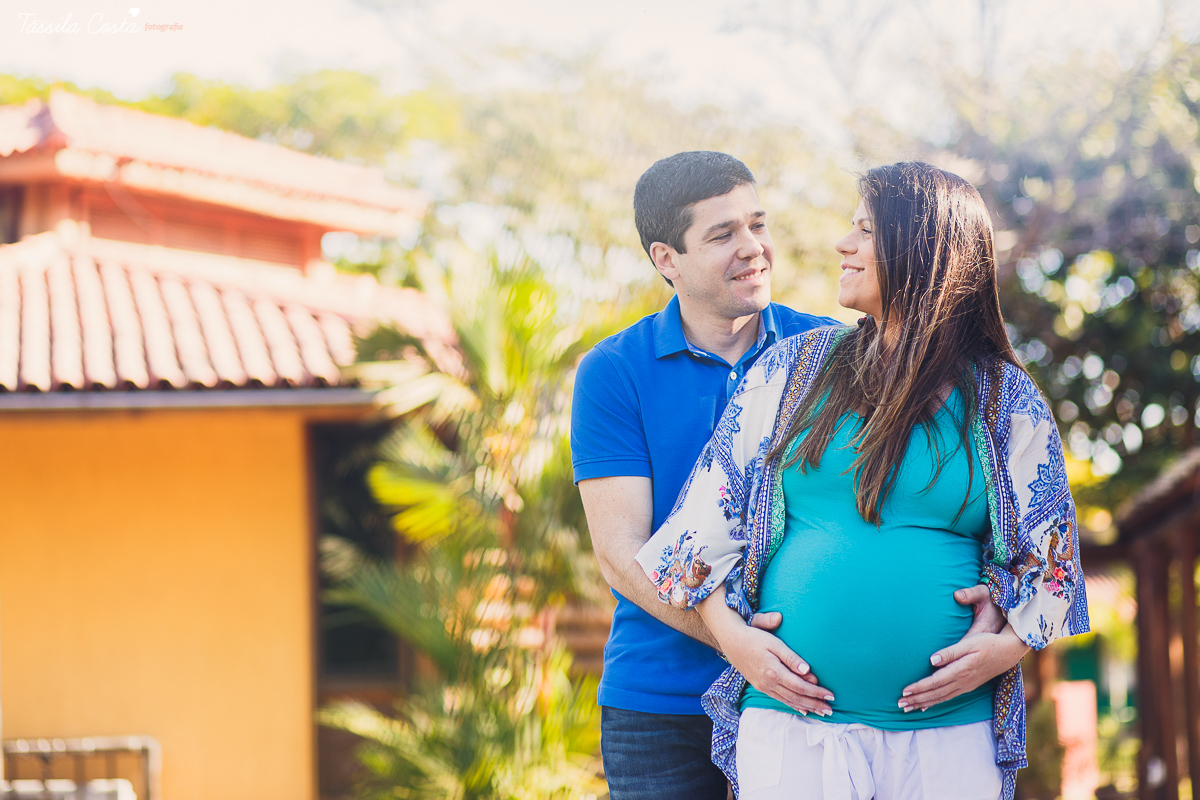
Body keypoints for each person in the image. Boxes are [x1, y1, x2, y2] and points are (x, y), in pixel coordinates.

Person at [635, 161, 1089, 800]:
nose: (843, 245)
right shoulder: (792, 372)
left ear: (923, 248)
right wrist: (733, 640)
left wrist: (1007, 647)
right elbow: (702, 532)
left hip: (949, 736)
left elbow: (1053, 560)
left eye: (866, 231)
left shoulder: (1000, 397)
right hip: (793, 730)